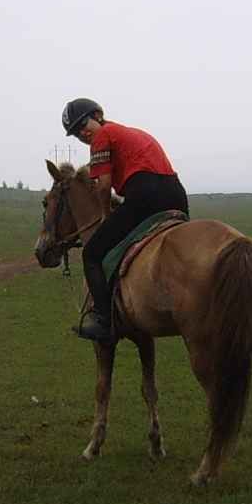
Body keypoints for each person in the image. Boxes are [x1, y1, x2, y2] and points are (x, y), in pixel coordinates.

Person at [61, 97, 189, 342]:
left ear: (98, 114)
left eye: (82, 124)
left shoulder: (102, 137)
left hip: (144, 194)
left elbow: (104, 185)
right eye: (76, 133)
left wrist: (106, 214)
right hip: (176, 194)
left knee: (92, 255)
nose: (82, 133)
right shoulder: (134, 133)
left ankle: (104, 320)